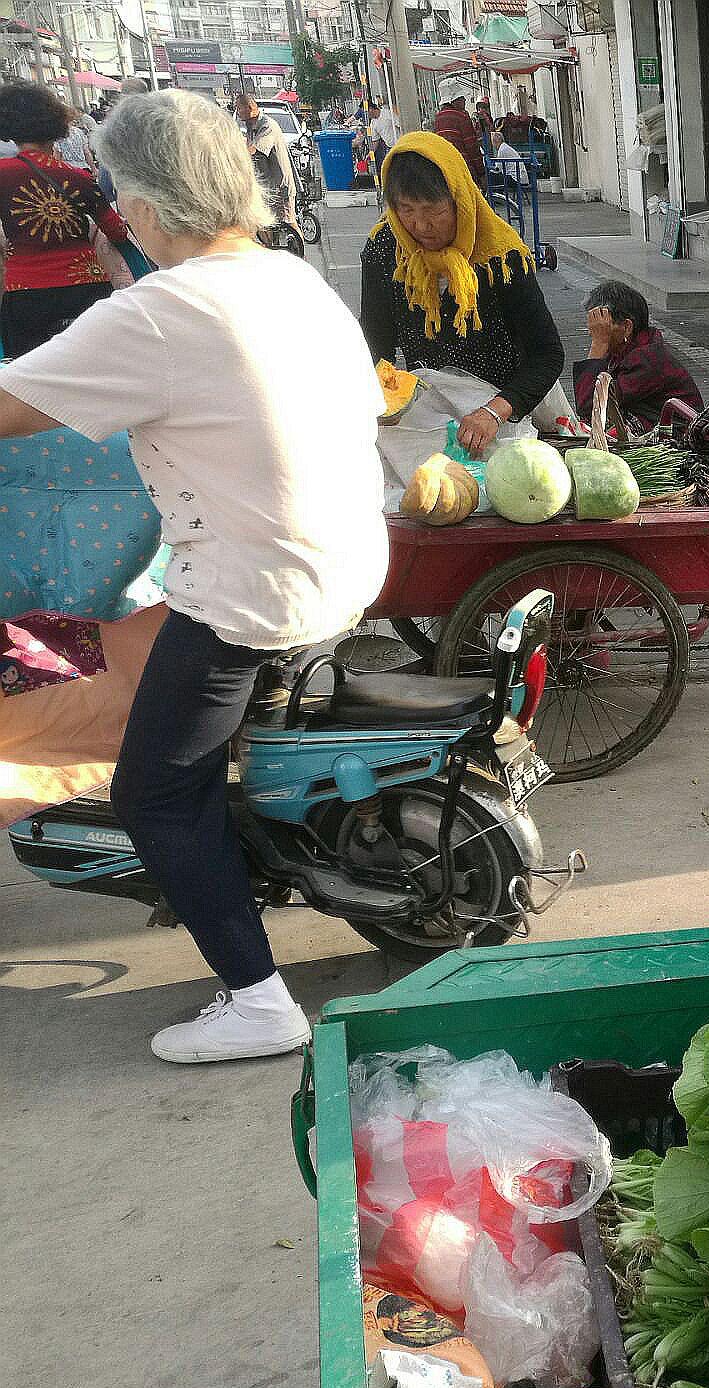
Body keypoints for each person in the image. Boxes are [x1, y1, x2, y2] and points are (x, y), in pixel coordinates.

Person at [0, 90, 386, 1062]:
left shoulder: (162, 314)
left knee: (157, 793)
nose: (117, 212)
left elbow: (12, 406)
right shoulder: (285, 277)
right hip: (343, 561)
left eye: (122, 194)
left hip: (253, 594)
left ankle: (258, 1000)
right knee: (133, 662)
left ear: (150, 202)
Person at [360, 132, 564, 455]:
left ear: (459, 199)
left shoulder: (501, 256)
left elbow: (548, 355)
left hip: (502, 409)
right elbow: (375, 347)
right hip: (426, 409)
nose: (420, 225)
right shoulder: (385, 250)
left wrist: (494, 412)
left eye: (433, 210)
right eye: (406, 209)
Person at [0, 83, 138, 356]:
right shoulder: (78, 177)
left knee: (28, 373)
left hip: (26, 289)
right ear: (56, 126)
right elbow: (116, 231)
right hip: (87, 288)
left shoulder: (3, 173)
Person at [574, 281, 702, 437]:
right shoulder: (623, 350)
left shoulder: (646, 359)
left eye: (601, 327)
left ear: (627, 327)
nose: (592, 334)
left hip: (678, 438)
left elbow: (590, 406)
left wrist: (599, 343)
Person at [233, 91, 294, 226]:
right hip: (266, 186)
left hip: (280, 185)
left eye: (238, 108)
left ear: (249, 108)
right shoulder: (249, 126)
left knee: (289, 222)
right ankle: (270, 246)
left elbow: (254, 150)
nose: (237, 112)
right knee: (265, 224)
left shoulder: (267, 125)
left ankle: (299, 245)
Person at [430, 93, 485, 186]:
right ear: (454, 101)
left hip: (445, 170)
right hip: (463, 168)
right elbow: (472, 147)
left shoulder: (438, 118)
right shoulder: (462, 117)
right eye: (462, 98)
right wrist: (481, 173)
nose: (465, 100)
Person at [368, 100, 398, 180]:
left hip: (400, 144)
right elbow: (375, 141)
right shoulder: (373, 124)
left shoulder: (387, 114)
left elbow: (400, 124)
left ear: (370, 109)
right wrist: (370, 153)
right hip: (390, 147)